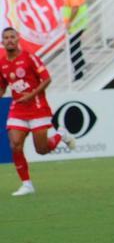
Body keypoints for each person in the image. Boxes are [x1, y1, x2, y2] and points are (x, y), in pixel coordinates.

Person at [0, 27, 75, 196]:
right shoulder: (2, 63)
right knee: (15, 145)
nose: (10, 40)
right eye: (6, 37)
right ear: (2, 41)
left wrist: (31, 95)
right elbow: (2, 87)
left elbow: (46, 78)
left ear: (18, 38)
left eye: (12, 36)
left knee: (42, 149)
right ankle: (27, 184)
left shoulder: (29, 58)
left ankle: (60, 134)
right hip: (18, 108)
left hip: (37, 107)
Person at [61, 0, 88, 81]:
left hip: (76, 24)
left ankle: (79, 71)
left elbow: (75, 7)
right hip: (77, 24)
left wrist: (69, 22)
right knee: (75, 47)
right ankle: (81, 65)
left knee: (73, 49)